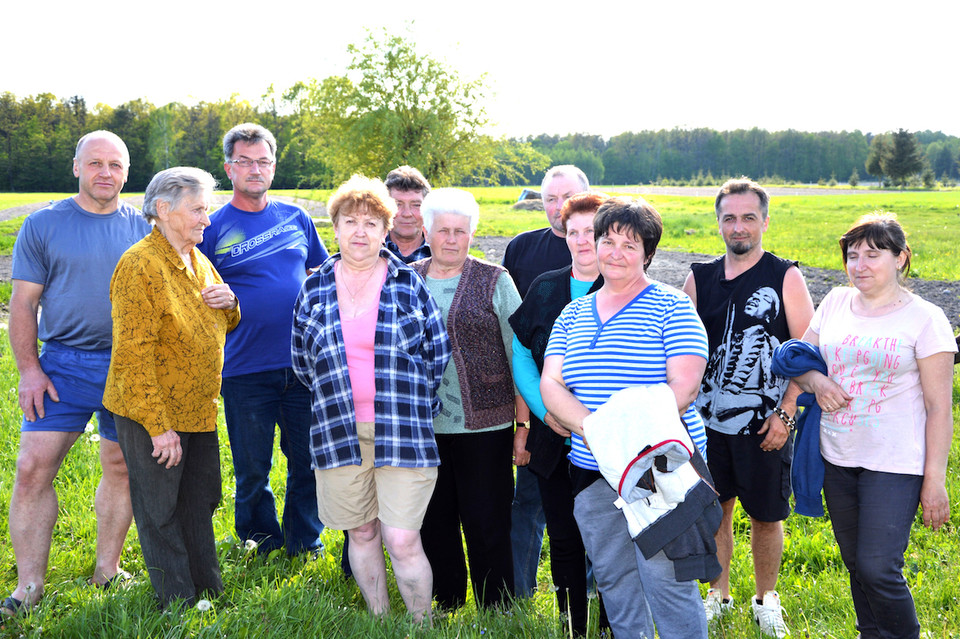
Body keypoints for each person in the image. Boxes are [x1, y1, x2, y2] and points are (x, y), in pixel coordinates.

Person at [541, 196, 713, 639]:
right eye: (607, 240)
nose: (615, 252)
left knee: (666, 581)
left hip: (658, 469)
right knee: (614, 578)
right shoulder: (573, 312)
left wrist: (619, 434)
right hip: (591, 467)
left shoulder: (672, 307)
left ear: (648, 254)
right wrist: (595, 430)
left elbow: (684, 387)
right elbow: (551, 385)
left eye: (630, 244)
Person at [3, 131, 150, 617]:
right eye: (95, 163)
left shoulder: (144, 229)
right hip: (62, 363)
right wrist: (30, 370)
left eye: (115, 164)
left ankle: (107, 569)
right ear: (76, 168)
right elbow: (22, 303)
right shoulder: (44, 224)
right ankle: (29, 587)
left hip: (125, 365)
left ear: (127, 173)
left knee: (121, 467)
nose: (105, 173)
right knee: (32, 470)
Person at [291, 175, 451, 622]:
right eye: (349, 222)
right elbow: (303, 360)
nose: (359, 232)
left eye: (369, 222)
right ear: (335, 229)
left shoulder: (408, 283)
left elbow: (436, 353)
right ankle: (379, 619)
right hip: (338, 429)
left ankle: (422, 624)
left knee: (401, 537)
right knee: (361, 532)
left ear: (385, 230)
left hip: (402, 431)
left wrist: (413, 403)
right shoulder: (314, 287)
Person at [789, 213, 955, 639]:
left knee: (878, 566)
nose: (859, 265)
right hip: (837, 455)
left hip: (895, 462)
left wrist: (934, 480)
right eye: (852, 255)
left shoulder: (925, 318)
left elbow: (939, 408)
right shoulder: (835, 303)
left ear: (902, 259)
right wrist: (817, 380)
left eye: (873, 255)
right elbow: (797, 359)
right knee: (856, 564)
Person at [103, 167, 240, 608]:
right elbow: (132, 355)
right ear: (163, 209)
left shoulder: (197, 258)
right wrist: (159, 428)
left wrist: (232, 303)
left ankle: (209, 588)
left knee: (200, 499)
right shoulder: (139, 265)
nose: (208, 218)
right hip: (153, 410)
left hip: (198, 407)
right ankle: (176, 600)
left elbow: (219, 319)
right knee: (160, 508)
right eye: (198, 209)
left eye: (207, 208)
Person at [682, 178, 814, 637]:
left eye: (748, 217)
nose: (739, 226)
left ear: (765, 221)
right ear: (719, 221)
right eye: (730, 218)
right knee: (715, 510)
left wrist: (787, 411)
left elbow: (807, 352)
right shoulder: (698, 278)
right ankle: (718, 593)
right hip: (705, 425)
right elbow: (684, 354)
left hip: (767, 423)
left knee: (765, 515)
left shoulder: (785, 277)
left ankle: (766, 598)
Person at [197, 123, 328, 557]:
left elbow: (322, 276)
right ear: (228, 169)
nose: (255, 169)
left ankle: (304, 540)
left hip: (302, 366)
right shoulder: (212, 227)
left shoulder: (297, 218)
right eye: (245, 161)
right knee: (252, 467)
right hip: (243, 367)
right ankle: (260, 540)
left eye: (263, 161)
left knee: (307, 462)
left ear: (273, 166)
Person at [411, 188, 522, 609]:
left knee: (487, 520)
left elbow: (520, 354)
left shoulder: (496, 279)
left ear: (472, 233)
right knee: (434, 520)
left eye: (461, 231)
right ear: (427, 231)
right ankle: (446, 601)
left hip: (487, 426)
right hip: (422, 426)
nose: (452, 239)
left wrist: (523, 426)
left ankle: (497, 606)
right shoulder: (407, 278)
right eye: (444, 230)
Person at [508, 192, 607, 634]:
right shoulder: (546, 287)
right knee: (564, 538)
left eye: (593, 231)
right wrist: (545, 408)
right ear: (563, 236)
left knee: (608, 542)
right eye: (574, 232)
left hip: (610, 443)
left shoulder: (625, 286)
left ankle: (611, 624)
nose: (583, 241)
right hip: (553, 435)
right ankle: (573, 625)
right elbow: (522, 352)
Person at [503, 164, 590, 597]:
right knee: (531, 503)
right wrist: (533, 415)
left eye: (568, 197)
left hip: (597, 414)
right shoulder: (523, 252)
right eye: (550, 199)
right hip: (540, 407)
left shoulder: (614, 259)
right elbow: (519, 343)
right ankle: (520, 593)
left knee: (594, 510)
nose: (559, 209)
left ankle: (592, 592)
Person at [384, 165, 432, 263]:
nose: (407, 214)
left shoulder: (440, 252)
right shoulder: (372, 251)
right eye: (398, 204)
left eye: (416, 205)